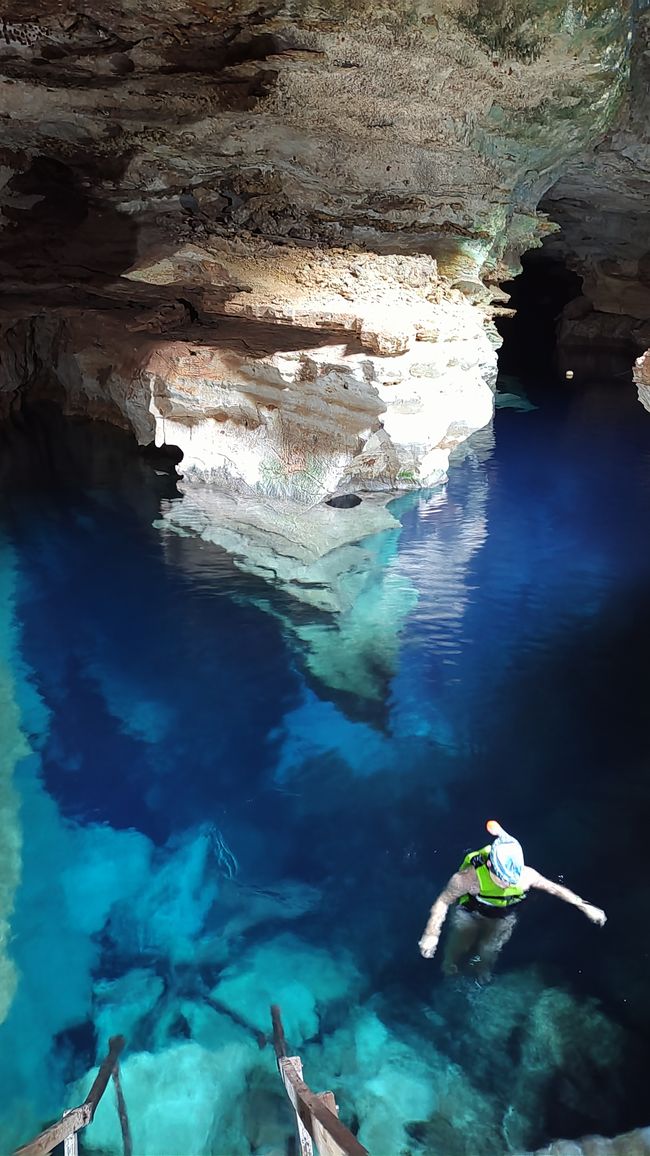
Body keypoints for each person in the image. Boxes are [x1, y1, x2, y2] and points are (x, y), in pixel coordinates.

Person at [418, 820, 607, 980]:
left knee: (489, 951)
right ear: (490, 865)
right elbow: (443, 901)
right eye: (503, 878)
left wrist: (584, 906)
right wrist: (431, 934)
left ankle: (481, 973)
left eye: (512, 879)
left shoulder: (525, 876)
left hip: (502, 915)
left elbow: (554, 888)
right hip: (470, 911)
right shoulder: (468, 878)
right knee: (460, 942)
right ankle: (449, 966)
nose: (508, 884)